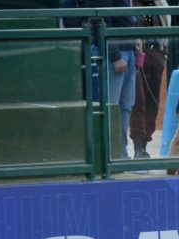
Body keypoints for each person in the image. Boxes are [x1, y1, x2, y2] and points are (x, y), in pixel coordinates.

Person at [61, 0, 137, 159]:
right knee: (111, 106)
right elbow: (101, 23)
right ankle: (109, 154)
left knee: (126, 106)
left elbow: (125, 17)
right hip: (114, 54)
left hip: (128, 50)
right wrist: (115, 56)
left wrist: (135, 40)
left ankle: (121, 153)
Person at [129, 0, 169, 159]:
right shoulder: (130, 3)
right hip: (135, 56)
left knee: (153, 103)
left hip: (156, 56)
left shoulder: (159, 3)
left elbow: (167, 26)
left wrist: (164, 54)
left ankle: (144, 144)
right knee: (138, 101)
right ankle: (138, 146)